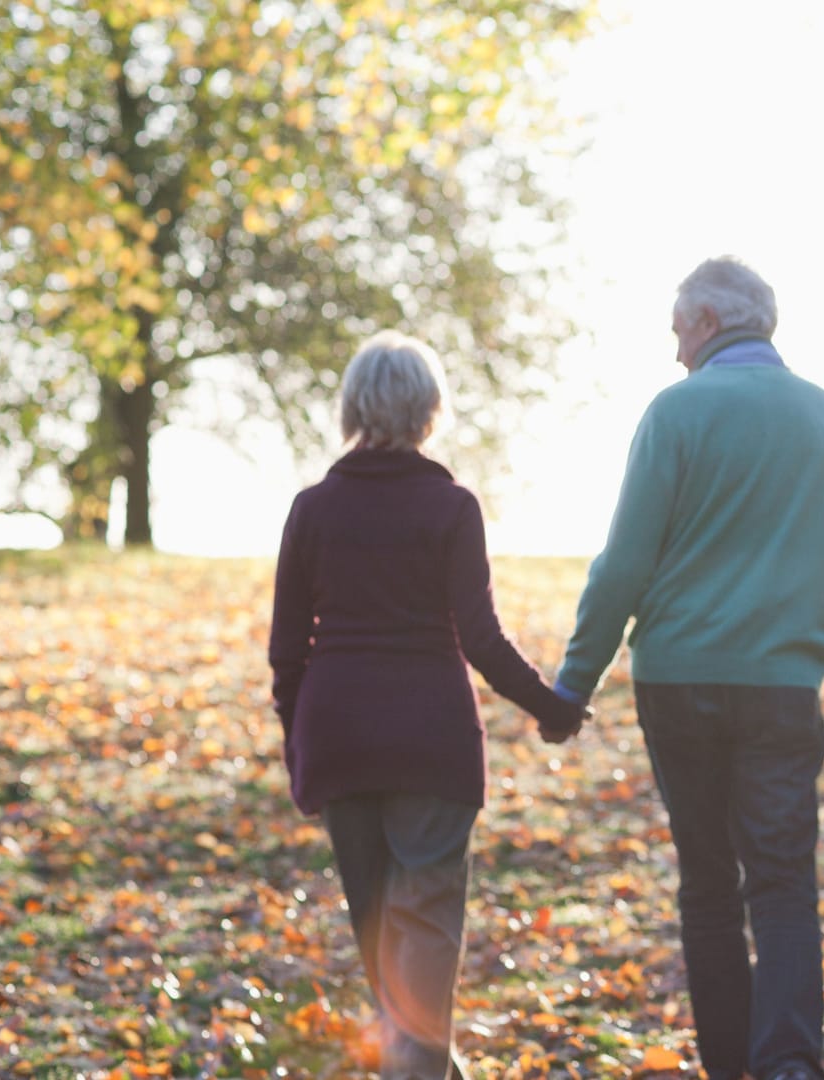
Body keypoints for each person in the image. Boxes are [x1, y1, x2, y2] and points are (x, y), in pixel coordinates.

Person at [551, 256, 824, 1080]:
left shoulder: (676, 414)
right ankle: (789, 1066)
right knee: (781, 886)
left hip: (677, 682)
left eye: (675, 332)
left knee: (706, 884)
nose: (672, 353)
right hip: (780, 692)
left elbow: (623, 564)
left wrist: (573, 683)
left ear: (704, 324)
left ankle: (729, 1069)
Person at [268, 331, 589, 1080]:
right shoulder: (450, 506)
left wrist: (298, 747)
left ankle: (424, 1067)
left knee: (379, 929)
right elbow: (480, 635)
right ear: (429, 411)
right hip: (430, 741)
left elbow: (288, 652)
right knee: (425, 929)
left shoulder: (312, 510)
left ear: (352, 408)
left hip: (340, 738)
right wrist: (553, 706)